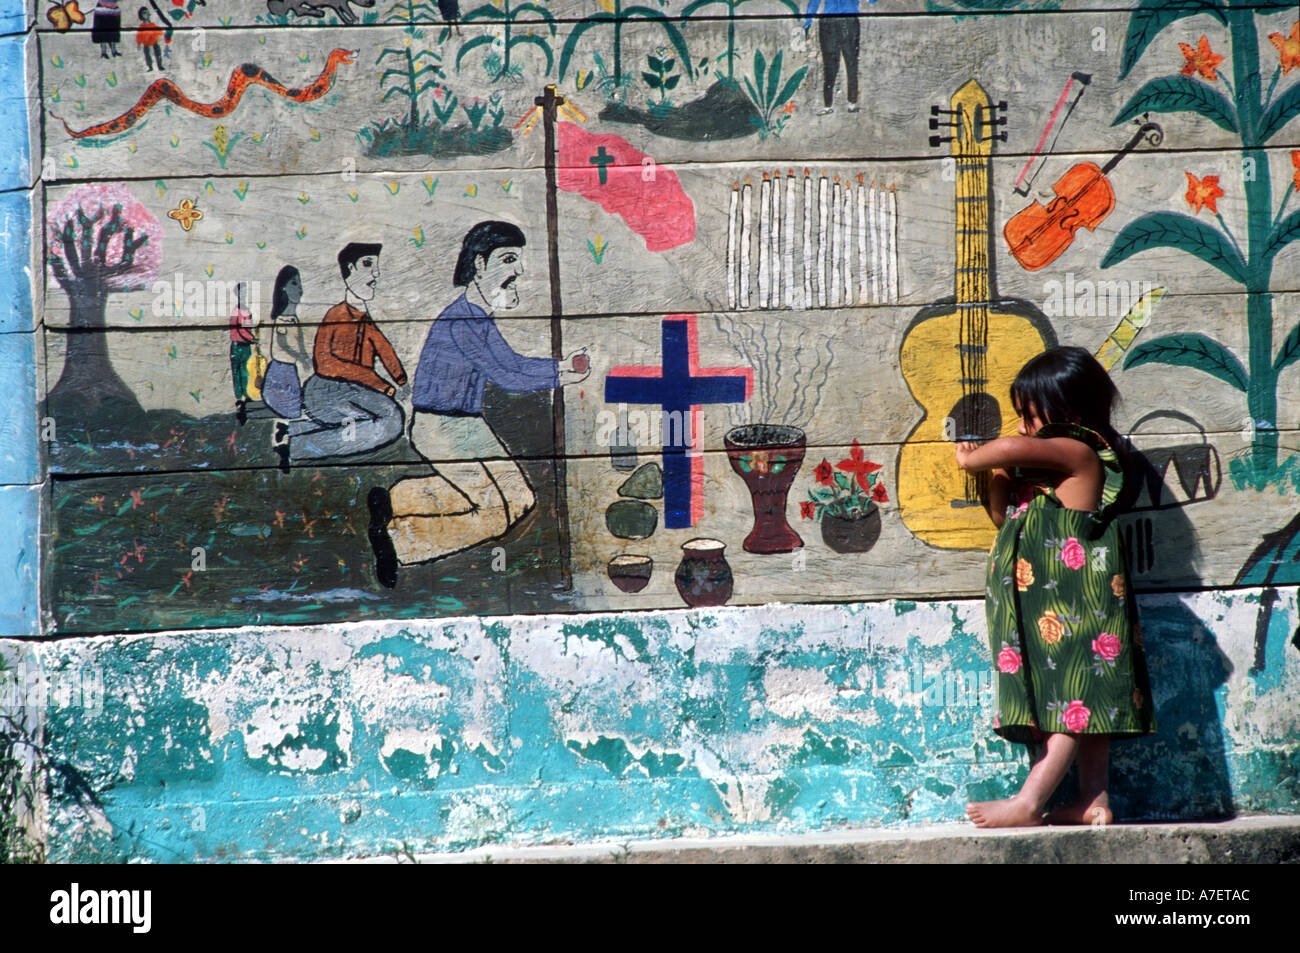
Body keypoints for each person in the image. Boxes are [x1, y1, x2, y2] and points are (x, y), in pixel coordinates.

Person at [954, 346, 1154, 828]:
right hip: (1049, 610)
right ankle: (1093, 799)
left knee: (1074, 705)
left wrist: (973, 459)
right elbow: (1004, 519)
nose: (1022, 426)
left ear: (1067, 411)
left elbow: (1008, 448)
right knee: (1081, 707)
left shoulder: (1079, 452)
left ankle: (1029, 801)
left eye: (1028, 413)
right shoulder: (1049, 477)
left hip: (1075, 605)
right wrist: (999, 478)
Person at [366, 221, 588, 588]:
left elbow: (513, 364)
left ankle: (397, 499)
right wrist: (560, 374)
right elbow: (508, 376)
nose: (517, 270)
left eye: (518, 260)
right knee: (495, 514)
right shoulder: (464, 320)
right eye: (508, 259)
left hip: (468, 424)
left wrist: (562, 369)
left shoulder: (479, 316)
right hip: (440, 425)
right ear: (480, 264)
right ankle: (399, 543)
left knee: (520, 500)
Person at [281, 243, 407, 466]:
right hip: (326, 389)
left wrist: (401, 380)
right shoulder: (336, 315)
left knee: (376, 417)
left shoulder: (364, 319)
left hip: (354, 391)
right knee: (390, 420)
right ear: (350, 269)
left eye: (376, 267)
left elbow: (383, 348)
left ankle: (291, 430)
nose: (375, 273)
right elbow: (325, 364)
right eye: (367, 265)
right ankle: (296, 447)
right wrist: (380, 384)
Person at [262, 266, 310, 421]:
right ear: (283, 288)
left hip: (291, 370)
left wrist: (304, 356)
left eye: (300, 285)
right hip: (280, 372)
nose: (300, 290)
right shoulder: (281, 320)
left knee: (296, 406)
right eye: (294, 284)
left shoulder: (294, 319)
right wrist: (300, 357)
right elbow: (282, 344)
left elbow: (299, 342)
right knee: (290, 407)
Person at [803, 0, 861, 115]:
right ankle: (852, 104)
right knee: (851, 64)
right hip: (848, 19)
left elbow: (814, 2)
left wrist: (807, 22)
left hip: (828, 21)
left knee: (830, 66)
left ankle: (828, 105)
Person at [229, 282, 256, 425]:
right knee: (238, 371)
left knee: (246, 371)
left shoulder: (246, 309)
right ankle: (240, 398)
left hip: (245, 345)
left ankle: (245, 396)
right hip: (238, 345)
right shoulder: (236, 310)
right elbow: (239, 330)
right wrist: (252, 338)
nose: (244, 295)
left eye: (246, 292)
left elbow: (247, 326)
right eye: (242, 292)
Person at [135, 6, 168, 72]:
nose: (146, 14)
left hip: (154, 42)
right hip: (146, 43)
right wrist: (139, 44)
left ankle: (160, 65)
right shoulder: (141, 27)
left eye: (147, 13)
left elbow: (160, 32)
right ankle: (150, 66)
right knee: (147, 55)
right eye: (144, 13)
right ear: (141, 15)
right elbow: (139, 36)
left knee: (158, 53)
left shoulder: (153, 25)